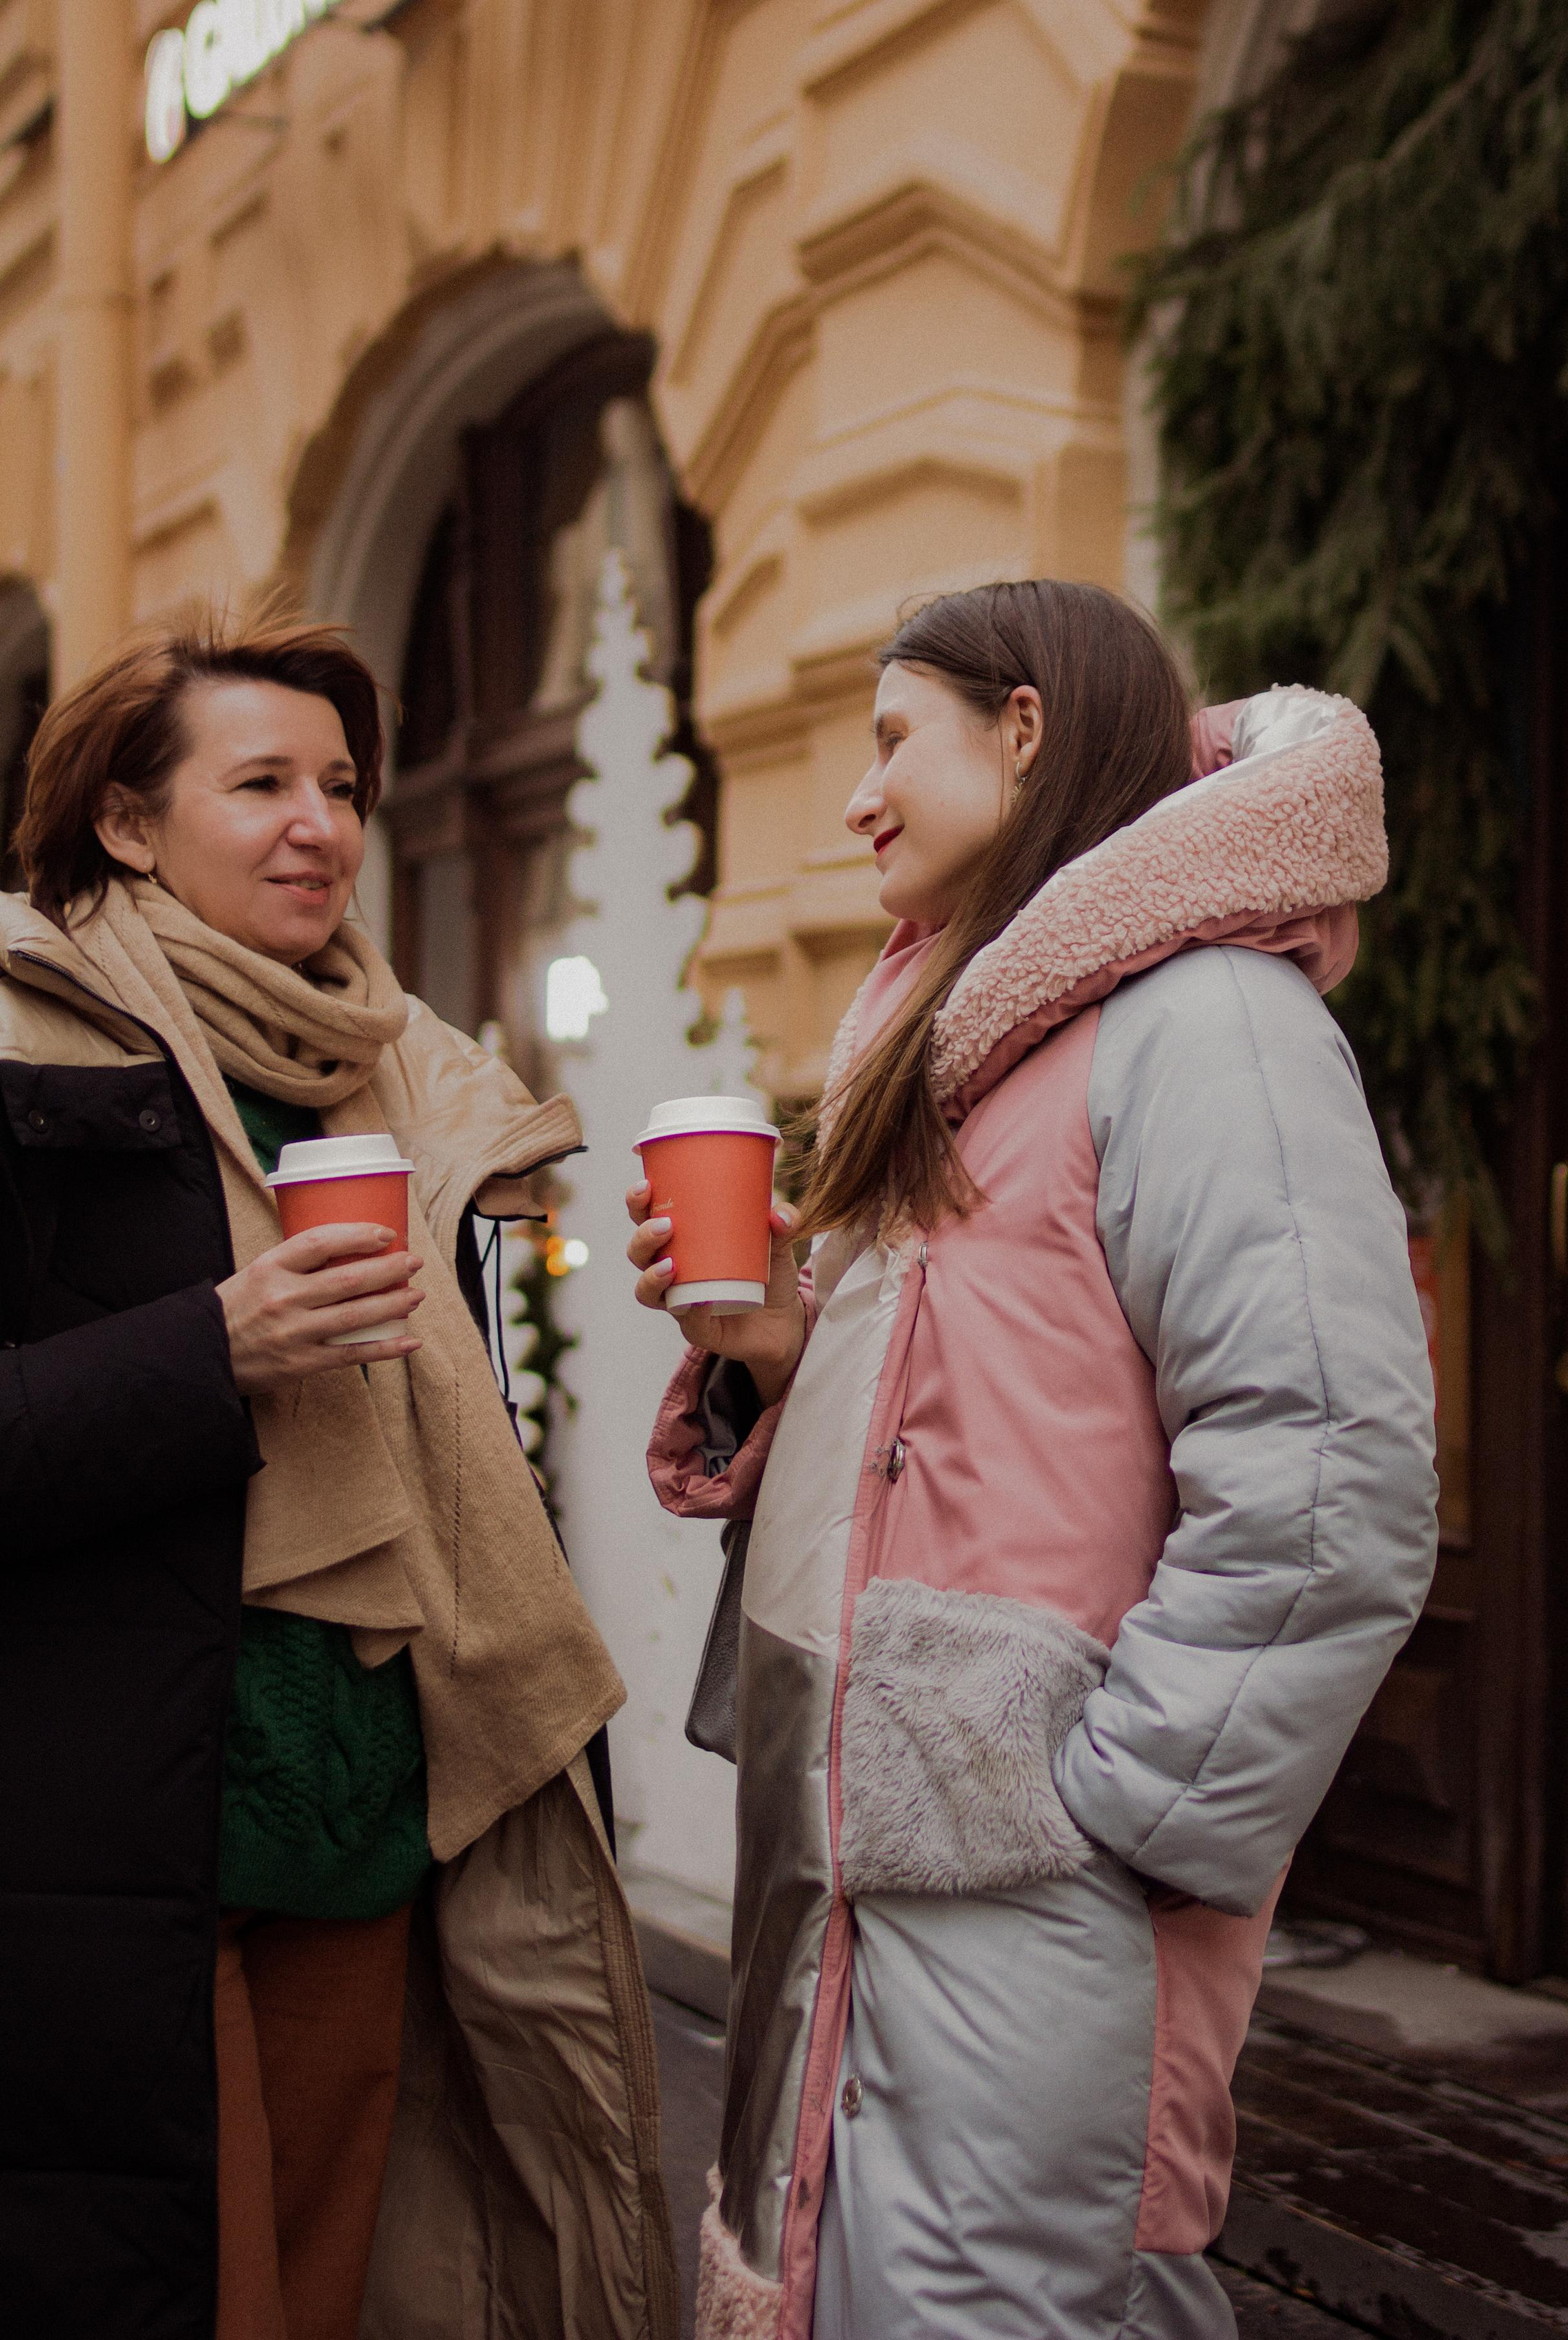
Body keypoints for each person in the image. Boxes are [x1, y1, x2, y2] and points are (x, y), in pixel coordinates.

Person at [629, 579, 1438, 2340]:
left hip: (1037, 1880)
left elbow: (1331, 1488)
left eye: (890, 741)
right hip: (863, 1866)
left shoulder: (1205, 1021)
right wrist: (773, 1352)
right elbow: (957, 1431)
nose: (857, 798)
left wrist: (1120, 1816)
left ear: (1023, 729)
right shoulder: (971, 1036)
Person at [0, 613, 675, 2340]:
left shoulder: (394, 1069)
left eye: (345, 787)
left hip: (365, 1802)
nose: (322, 825)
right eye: (262, 785)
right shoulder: (23, 1040)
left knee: (331, 2299)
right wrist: (207, 1349)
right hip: (118, 1826)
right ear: (127, 821)